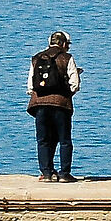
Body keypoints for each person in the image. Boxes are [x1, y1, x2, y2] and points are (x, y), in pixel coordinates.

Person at [26, 30, 81, 181]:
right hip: (61, 105)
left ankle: (47, 173)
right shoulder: (67, 58)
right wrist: (65, 95)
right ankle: (64, 173)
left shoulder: (36, 58)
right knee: (64, 140)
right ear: (63, 44)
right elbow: (74, 84)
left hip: (39, 106)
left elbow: (30, 86)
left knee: (43, 140)